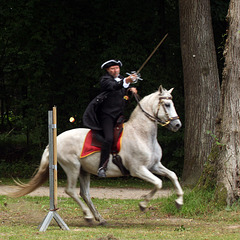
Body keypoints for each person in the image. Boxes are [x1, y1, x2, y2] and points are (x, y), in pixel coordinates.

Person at [83, 59, 137, 177]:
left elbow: (122, 90)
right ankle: (102, 166)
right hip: (107, 116)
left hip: (120, 116)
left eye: (117, 68)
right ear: (108, 70)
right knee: (108, 138)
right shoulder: (105, 80)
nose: (115, 70)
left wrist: (130, 90)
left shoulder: (121, 79)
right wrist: (126, 81)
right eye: (112, 69)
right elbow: (114, 87)